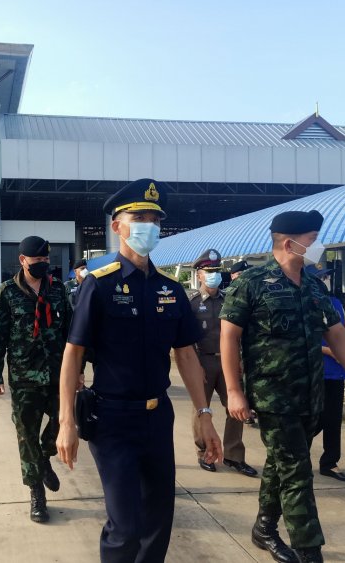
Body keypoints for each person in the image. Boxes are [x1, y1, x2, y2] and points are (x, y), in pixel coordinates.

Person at [56, 178, 223, 562]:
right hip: (112, 418)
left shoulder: (171, 290)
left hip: (156, 417)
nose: (149, 225)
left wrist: (203, 413)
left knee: (158, 520)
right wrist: (67, 421)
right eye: (140, 217)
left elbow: (185, 355)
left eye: (154, 218)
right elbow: (73, 354)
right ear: (117, 226)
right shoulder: (97, 286)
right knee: (125, 526)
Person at [220, 210, 345, 563]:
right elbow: (229, 337)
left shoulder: (311, 285)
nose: (317, 245)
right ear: (290, 242)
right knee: (297, 474)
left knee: (282, 464)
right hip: (273, 397)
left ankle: (264, 527)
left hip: (311, 395)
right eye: (312, 238)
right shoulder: (251, 282)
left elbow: (336, 334)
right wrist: (234, 390)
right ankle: (310, 552)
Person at [0, 235, 72, 524]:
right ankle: (37, 495)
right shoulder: (7, 292)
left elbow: (71, 332)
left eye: (47, 260)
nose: (43, 265)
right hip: (24, 378)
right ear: (23, 261)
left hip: (58, 374)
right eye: (38, 261)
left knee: (66, 420)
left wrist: (79, 369)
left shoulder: (58, 289)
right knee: (26, 436)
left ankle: (45, 456)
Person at [189, 248, 257, 477]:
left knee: (237, 409)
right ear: (199, 274)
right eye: (209, 271)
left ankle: (233, 455)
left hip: (229, 364)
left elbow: (240, 333)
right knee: (201, 409)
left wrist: (241, 360)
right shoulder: (192, 303)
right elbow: (184, 341)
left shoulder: (231, 299)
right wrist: (194, 366)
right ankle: (205, 452)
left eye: (217, 271)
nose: (214, 275)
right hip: (203, 363)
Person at [306, 264, 345, 483]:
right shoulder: (304, 304)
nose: (324, 279)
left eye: (325, 276)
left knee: (333, 419)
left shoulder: (335, 303)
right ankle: (297, 456)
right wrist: (328, 350)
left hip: (336, 372)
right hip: (315, 370)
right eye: (321, 277)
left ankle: (330, 463)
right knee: (313, 418)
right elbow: (301, 340)